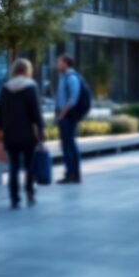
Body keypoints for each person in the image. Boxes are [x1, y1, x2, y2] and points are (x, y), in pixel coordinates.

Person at [0, 58, 45, 209]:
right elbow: (36, 112)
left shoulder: (6, 88)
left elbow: (0, 113)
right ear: (27, 70)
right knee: (29, 165)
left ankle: (14, 198)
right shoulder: (31, 87)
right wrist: (41, 130)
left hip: (10, 133)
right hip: (28, 133)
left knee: (14, 167)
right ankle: (29, 192)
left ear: (14, 70)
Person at [55, 53, 84, 184]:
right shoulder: (64, 77)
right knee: (66, 145)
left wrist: (62, 113)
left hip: (68, 117)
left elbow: (73, 98)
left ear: (65, 63)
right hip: (64, 116)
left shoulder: (71, 77)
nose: (57, 64)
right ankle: (70, 174)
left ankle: (74, 174)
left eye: (59, 62)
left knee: (69, 144)